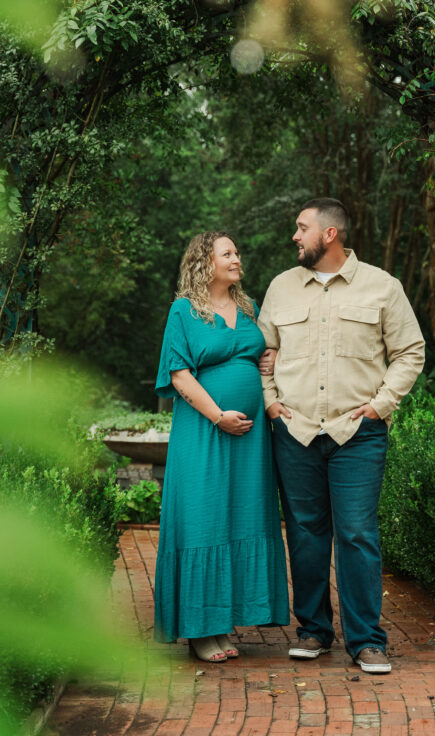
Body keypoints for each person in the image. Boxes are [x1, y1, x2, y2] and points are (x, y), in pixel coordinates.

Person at [258, 198, 424, 674]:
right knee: (307, 535)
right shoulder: (281, 288)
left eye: (302, 227)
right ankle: (313, 630)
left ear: (329, 234)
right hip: (296, 431)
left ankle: (367, 641)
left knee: (356, 534)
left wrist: (381, 405)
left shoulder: (382, 286)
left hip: (359, 433)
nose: (295, 235)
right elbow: (261, 352)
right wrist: (271, 403)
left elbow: (410, 351)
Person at [154, 231, 289, 663]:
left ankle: (224, 619)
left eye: (237, 251)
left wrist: (268, 358)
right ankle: (199, 631)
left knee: (238, 519)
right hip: (206, 433)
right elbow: (178, 374)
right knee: (203, 520)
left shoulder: (247, 309)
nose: (237, 257)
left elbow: (257, 354)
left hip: (249, 443)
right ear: (204, 263)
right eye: (227, 253)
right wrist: (219, 416)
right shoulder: (184, 311)